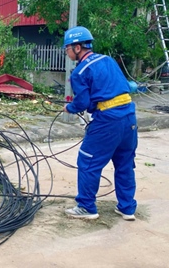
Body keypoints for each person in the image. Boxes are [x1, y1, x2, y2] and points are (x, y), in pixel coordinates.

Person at [62, 26, 138, 221]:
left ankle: (87, 207)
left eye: (67, 48)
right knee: (124, 164)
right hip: (129, 117)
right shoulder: (108, 60)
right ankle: (127, 208)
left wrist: (69, 108)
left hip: (107, 122)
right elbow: (125, 86)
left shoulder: (79, 72)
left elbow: (83, 103)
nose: (66, 52)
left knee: (88, 161)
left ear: (77, 47)